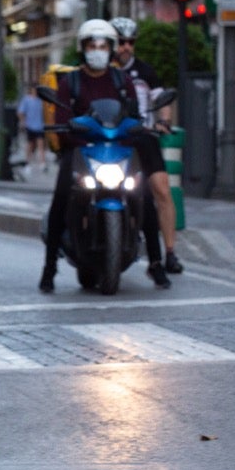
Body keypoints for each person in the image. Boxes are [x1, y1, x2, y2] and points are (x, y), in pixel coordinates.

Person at [41, 19, 155, 293]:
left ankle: (158, 263)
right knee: (61, 197)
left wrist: (136, 129)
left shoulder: (121, 80)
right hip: (81, 149)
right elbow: (63, 120)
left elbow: (133, 116)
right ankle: (49, 268)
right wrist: (76, 134)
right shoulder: (71, 83)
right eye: (92, 45)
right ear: (83, 48)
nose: (98, 51)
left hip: (118, 149)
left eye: (103, 46)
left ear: (111, 49)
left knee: (146, 196)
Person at [110, 17, 182, 276]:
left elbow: (161, 99)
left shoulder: (146, 71)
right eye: (121, 42)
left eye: (130, 42)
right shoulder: (102, 71)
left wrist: (164, 120)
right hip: (113, 139)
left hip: (144, 135)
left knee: (162, 189)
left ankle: (170, 253)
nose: (126, 47)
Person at [16, 87, 47, 174]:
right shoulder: (27, 100)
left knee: (41, 145)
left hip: (39, 126)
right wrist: (23, 122)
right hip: (30, 126)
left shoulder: (40, 101)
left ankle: (42, 163)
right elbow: (20, 112)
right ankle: (27, 163)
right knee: (30, 145)